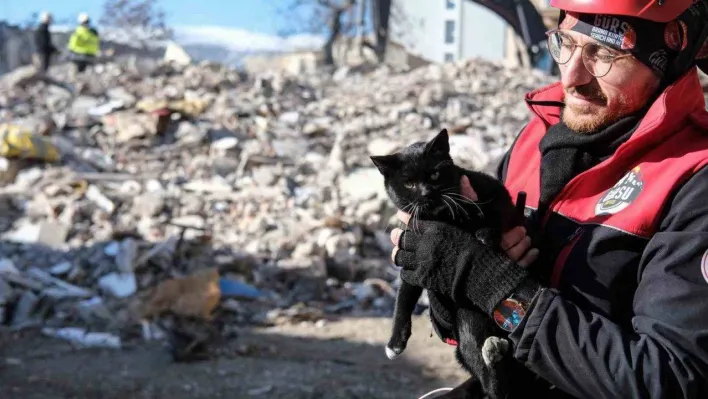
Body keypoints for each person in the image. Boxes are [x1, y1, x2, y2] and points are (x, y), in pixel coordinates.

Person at [389, 0, 708, 398]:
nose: (572, 76)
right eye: (565, 43)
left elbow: (671, 381)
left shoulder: (694, 181)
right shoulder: (533, 143)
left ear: (668, 56)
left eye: (604, 53)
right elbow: (464, 329)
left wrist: (498, 288)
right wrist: (444, 273)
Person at [67, 12, 100, 77]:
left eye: (87, 22)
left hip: (89, 56)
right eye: (84, 22)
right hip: (78, 57)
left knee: (88, 76)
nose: (86, 24)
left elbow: (95, 44)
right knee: (75, 75)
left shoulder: (93, 33)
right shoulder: (77, 32)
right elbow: (72, 45)